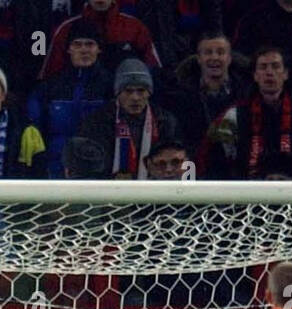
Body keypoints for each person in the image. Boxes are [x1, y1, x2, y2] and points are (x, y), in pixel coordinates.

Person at [200, 45, 292, 179]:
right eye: (263, 67)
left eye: (275, 66)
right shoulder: (234, 116)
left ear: (286, 74)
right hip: (248, 195)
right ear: (255, 76)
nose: (269, 72)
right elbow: (214, 163)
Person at [26, 19, 112, 178]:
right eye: (77, 44)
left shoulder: (110, 87)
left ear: (99, 49)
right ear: (68, 49)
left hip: (98, 171)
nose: (84, 50)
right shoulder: (49, 87)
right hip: (56, 170)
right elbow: (35, 129)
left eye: (90, 44)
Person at [77, 58, 180, 179]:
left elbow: (177, 162)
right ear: (118, 93)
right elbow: (89, 166)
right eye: (128, 91)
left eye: (141, 91)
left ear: (149, 93)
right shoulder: (97, 122)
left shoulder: (165, 121)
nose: (135, 97)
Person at [40, 0, 161, 80]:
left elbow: (154, 73)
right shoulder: (66, 29)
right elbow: (49, 77)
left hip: (123, 107)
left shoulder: (135, 28)